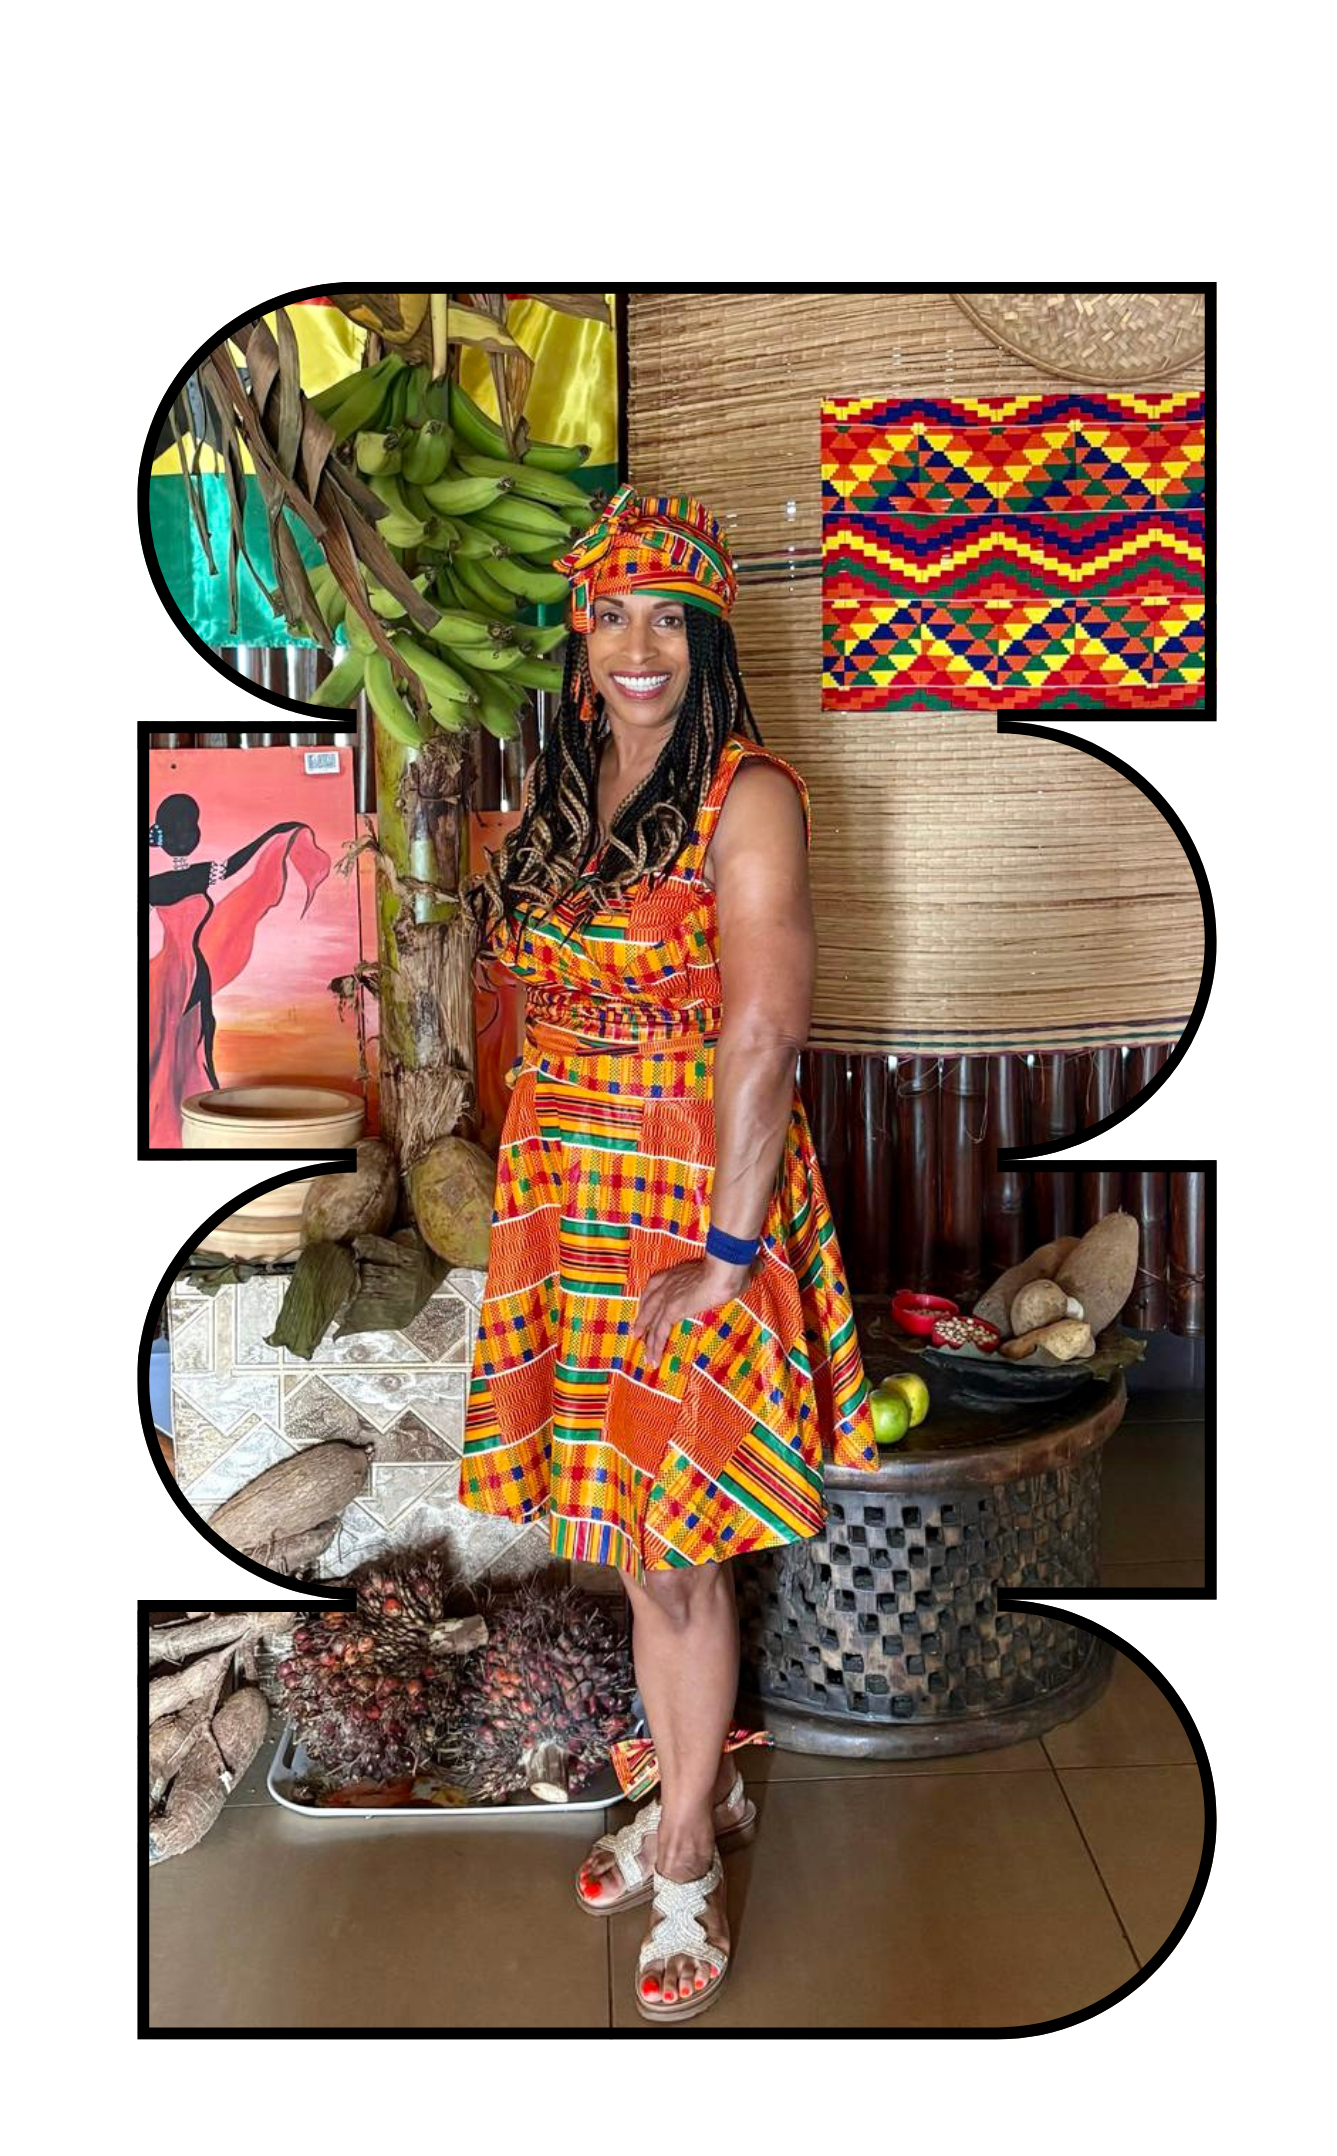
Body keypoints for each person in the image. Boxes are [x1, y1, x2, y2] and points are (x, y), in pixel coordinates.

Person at [461, 484, 879, 2023]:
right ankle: (694, 1777)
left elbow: (765, 1029)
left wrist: (723, 1249)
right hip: (565, 1200)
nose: (642, 645)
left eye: (672, 618)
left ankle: (687, 1844)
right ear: (582, 624)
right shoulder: (566, 788)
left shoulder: (746, 795)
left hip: (687, 1207)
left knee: (683, 1552)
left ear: (707, 635)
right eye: (615, 611)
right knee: (641, 1543)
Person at [147, 795, 332, 1145]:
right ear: (186, 836)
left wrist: (275, 834)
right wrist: (273, 835)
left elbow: (235, 863)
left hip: (185, 969)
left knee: (194, 1037)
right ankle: (173, 1124)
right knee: (182, 1040)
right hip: (178, 972)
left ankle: (187, 1119)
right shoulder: (188, 878)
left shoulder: (166, 882)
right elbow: (235, 864)